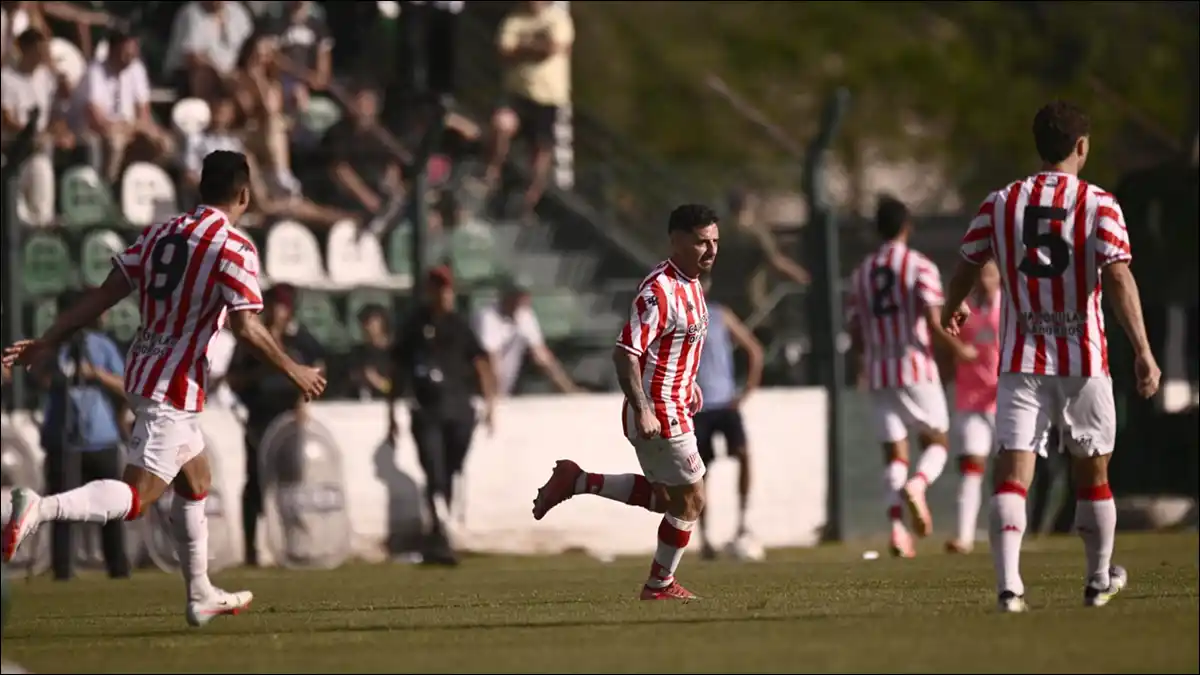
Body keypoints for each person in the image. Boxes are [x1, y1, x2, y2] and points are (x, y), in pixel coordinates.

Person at [1, 150, 327, 626]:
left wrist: (48, 340)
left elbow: (102, 295)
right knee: (137, 499)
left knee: (196, 481)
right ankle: (39, 507)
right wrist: (292, 368)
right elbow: (246, 327)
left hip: (145, 370)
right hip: (172, 384)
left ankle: (200, 594)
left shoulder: (159, 234)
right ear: (244, 194)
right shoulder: (233, 246)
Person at [944, 100, 1160, 612]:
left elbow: (968, 262)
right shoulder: (1099, 203)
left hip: (1022, 360)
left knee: (1013, 472)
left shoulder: (1001, 202)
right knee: (1094, 475)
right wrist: (1144, 350)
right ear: (1081, 147)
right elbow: (1118, 276)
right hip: (1083, 359)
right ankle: (1097, 579)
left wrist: (952, 308)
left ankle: (1009, 588)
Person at [531, 203, 718, 601]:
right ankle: (659, 584)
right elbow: (625, 353)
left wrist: (691, 384)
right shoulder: (658, 291)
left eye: (715, 242)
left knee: (668, 500)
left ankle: (578, 479)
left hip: (676, 403)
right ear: (677, 240)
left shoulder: (693, 285)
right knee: (693, 499)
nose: (711, 250)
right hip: (659, 411)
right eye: (702, 242)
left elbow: (672, 349)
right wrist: (644, 408)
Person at [847, 196, 974, 558]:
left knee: (894, 454)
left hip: (878, 369)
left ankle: (897, 531)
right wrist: (960, 350)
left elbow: (855, 330)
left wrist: (863, 364)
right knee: (937, 441)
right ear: (907, 227)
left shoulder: (862, 272)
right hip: (914, 365)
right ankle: (918, 486)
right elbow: (934, 321)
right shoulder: (919, 265)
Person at [387, 266, 497, 566]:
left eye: (449, 289)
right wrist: (392, 414)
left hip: (459, 410)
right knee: (434, 470)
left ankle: (439, 533)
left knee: (450, 471)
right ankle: (441, 533)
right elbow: (398, 370)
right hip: (427, 411)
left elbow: (480, 363)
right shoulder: (413, 326)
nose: (446, 295)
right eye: (441, 289)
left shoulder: (459, 325)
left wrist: (490, 406)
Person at [226, 283, 324, 567]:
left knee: (291, 486)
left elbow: (317, 371)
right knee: (255, 485)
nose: (278, 312)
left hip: (289, 424)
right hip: (259, 422)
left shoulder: (299, 341)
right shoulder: (251, 341)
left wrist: (303, 403)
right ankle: (251, 548)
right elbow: (234, 380)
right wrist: (263, 368)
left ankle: (293, 545)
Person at [36, 291, 131, 579]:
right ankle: (63, 571)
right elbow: (40, 375)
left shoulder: (101, 346)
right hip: (63, 439)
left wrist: (96, 373)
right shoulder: (51, 347)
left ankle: (118, 569)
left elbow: (127, 385)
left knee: (111, 509)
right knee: (62, 510)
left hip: (101, 439)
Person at [692, 276, 764, 560]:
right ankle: (705, 538)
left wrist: (746, 392)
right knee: (699, 474)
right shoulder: (678, 321)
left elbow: (754, 350)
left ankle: (743, 523)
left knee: (744, 455)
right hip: (698, 409)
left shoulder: (720, 315)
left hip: (725, 404)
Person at [945, 261, 1001, 555]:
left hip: (1004, 401)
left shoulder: (1010, 309)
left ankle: (1006, 531)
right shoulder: (963, 309)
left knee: (1008, 471)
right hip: (970, 401)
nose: (985, 280)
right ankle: (964, 537)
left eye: (990, 273)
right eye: (980, 274)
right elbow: (944, 335)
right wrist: (956, 351)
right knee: (971, 468)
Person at [472, 279, 578, 396]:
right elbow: (491, 360)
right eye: (517, 296)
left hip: (505, 393)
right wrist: (494, 400)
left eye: (524, 296)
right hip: (479, 395)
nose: (522, 300)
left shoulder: (525, 315)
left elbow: (542, 356)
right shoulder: (487, 317)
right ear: (506, 296)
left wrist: (569, 389)